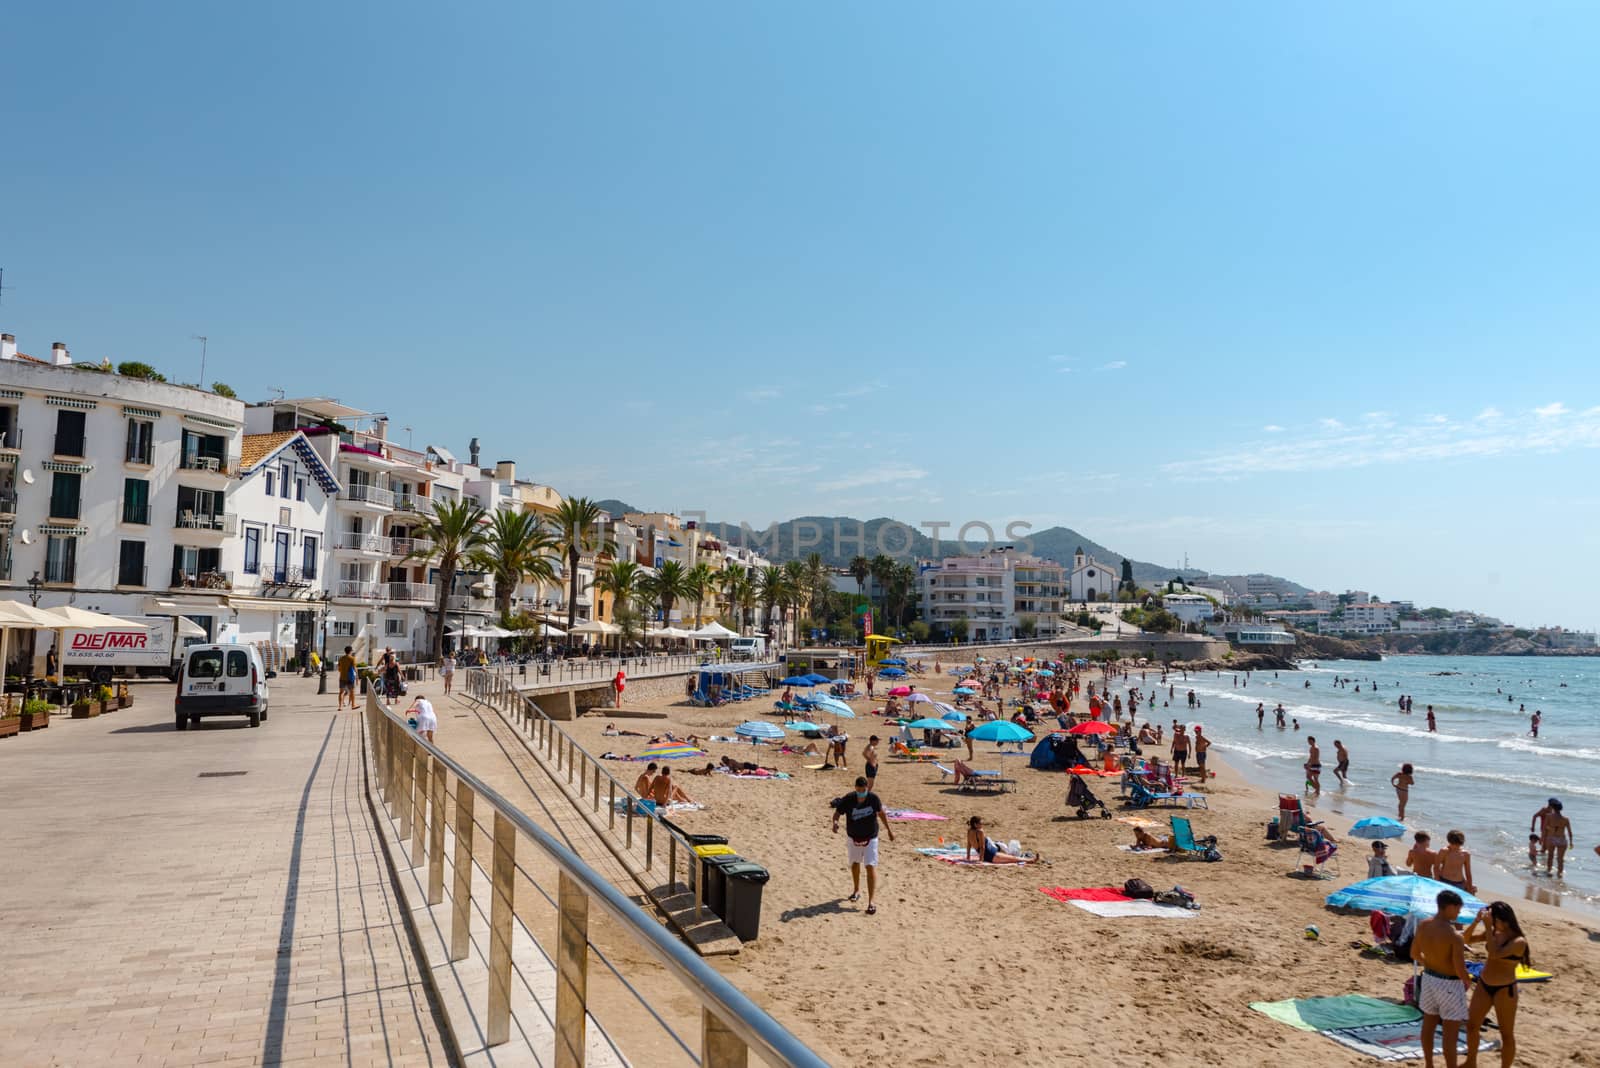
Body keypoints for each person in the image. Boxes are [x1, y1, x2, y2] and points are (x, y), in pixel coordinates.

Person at [1463, 901, 1529, 1068]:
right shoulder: (1493, 932)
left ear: (1504, 920)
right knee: (1471, 1026)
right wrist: (1477, 921)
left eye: (1493, 920)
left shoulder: (1518, 941)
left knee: (1506, 1034)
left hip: (1504, 989)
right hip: (1484, 984)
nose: (1491, 923)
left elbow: (1494, 954)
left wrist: (1487, 926)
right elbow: (1466, 939)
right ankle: (1471, 1062)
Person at [1413, 890, 1473, 1068]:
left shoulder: (1424, 925)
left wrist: (1431, 962)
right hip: (1449, 984)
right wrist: (1468, 981)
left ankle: (1429, 1064)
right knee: (1450, 1034)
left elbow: (1414, 953)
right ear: (1450, 907)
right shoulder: (1454, 935)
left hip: (1429, 978)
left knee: (1428, 1025)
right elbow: (1459, 968)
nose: (1459, 914)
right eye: (1458, 909)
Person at [831, 776, 893, 915]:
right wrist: (835, 823)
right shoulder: (848, 799)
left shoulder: (873, 799)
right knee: (854, 864)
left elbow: (881, 813)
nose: (861, 793)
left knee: (870, 866)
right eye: (859, 790)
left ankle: (871, 902)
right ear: (855, 788)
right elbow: (837, 813)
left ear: (867, 789)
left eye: (863, 790)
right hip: (853, 837)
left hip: (871, 838)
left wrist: (889, 830)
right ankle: (856, 890)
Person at [1540, 800, 1573, 878]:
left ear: (1553, 808)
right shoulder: (1566, 819)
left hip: (1552, 839)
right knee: (1560, 859)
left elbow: (1544, 829)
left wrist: (1542, 838)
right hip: (1562, 840)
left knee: (1550, 856)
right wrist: (1571, 842)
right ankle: (1559, 875)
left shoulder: (1549, 816)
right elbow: (1569, 832)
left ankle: (1549, 871)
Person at [336, 645, 358, 709]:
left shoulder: (341, 658)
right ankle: (353, 705)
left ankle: (340, 706)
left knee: (341, 692)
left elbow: (339, 668)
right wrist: (357, 677)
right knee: (352, 691)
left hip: (342, 677)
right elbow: (355, 668)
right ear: (350, 651)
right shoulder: (352, 658)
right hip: (350, 678)